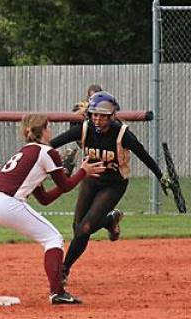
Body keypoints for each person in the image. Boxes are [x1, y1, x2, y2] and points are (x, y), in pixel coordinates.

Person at [0, 114, 106, 305]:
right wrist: (83, 172)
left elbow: (45, 199)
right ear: (43, 131)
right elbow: (65, 186)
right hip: (6, 202)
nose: (51, 131)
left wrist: (66, 174)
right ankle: (57, 292)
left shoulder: (24, 152)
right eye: (49, 127)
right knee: (53, 239)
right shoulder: (48, 152)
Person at [50, 91, 168, 286]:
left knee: (84, 228)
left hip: (114, 184)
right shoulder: (84, 129)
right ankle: (110, 220)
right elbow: (52, 144)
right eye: (94, 114)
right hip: (90, 179)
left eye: (102, 115)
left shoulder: (122, 134)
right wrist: (31, 153)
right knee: (77, 226)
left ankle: (63, 270)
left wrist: (160, 176)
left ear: (112, 115)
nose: (97, 119)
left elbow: (144, 155)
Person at [62, 84, 103, 177]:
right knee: (90, 160)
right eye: (92, 97)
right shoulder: (81, 107)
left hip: (101, 138)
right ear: (88, 97)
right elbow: (73, 121)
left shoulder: (105, 106)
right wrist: (80, 140)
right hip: (86, 137)